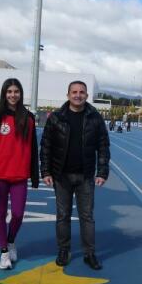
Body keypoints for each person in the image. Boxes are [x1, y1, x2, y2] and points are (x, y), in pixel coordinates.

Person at [40, 80, 110, 270]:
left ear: (87, 95)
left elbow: (103, 146)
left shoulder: (95, 118)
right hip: (61, 176)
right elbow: (46, 146)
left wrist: (102, 172)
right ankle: (64, 250)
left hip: (85, 176)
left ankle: (89, 253)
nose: (78, 95)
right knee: (63, 216)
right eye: (74, 92)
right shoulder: (56, 117)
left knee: (87, 217)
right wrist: (45, 171)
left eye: (81, 92)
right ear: (68, 94)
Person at [0, 78, 39, 270]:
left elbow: (33, 148)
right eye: (9, 91)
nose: (13, 95)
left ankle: (11, 240)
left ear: (21, 94)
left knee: (17, 214)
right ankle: (4, 253)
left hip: (20, 176)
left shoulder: (29, 118)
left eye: (16, 91)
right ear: (4, 93)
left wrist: (35, 175)